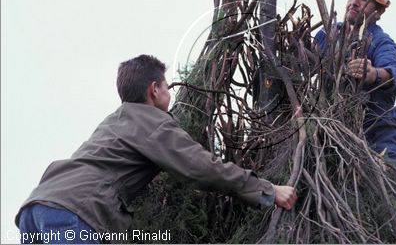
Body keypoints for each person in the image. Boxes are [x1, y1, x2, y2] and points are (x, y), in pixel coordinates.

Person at [15, 54, 297, 244]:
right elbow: (201, 167)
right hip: (73, 213)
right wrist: (267, 190)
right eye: (166, 87)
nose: (168, 93)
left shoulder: (115, 120)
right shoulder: (152, 123)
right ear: (154, 89)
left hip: (37, 207)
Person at [314, 0, 396, 169]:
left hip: (377, 133)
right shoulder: (328, 34)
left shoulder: (380, 41)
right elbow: (303, 62)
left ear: (379, 11)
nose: (354, 2)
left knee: (384, 189)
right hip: (334, 128)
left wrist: (374, 73)